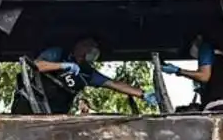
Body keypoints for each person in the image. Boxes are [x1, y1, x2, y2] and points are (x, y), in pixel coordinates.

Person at [11, 37, 157, 114]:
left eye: (94, 48)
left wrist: (143, 94)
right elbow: (37, 65)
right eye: (89, 45)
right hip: (30, 104)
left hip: (54, 114)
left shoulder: (87, 73)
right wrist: (62, 65)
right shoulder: (59, 53)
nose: (92, 50)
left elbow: (113, 84)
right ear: (80, 45)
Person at [160, 34, 223, 112]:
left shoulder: (205, 48)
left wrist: (178, 71)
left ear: (198, 38)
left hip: (216, 105)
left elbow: (204, 76)